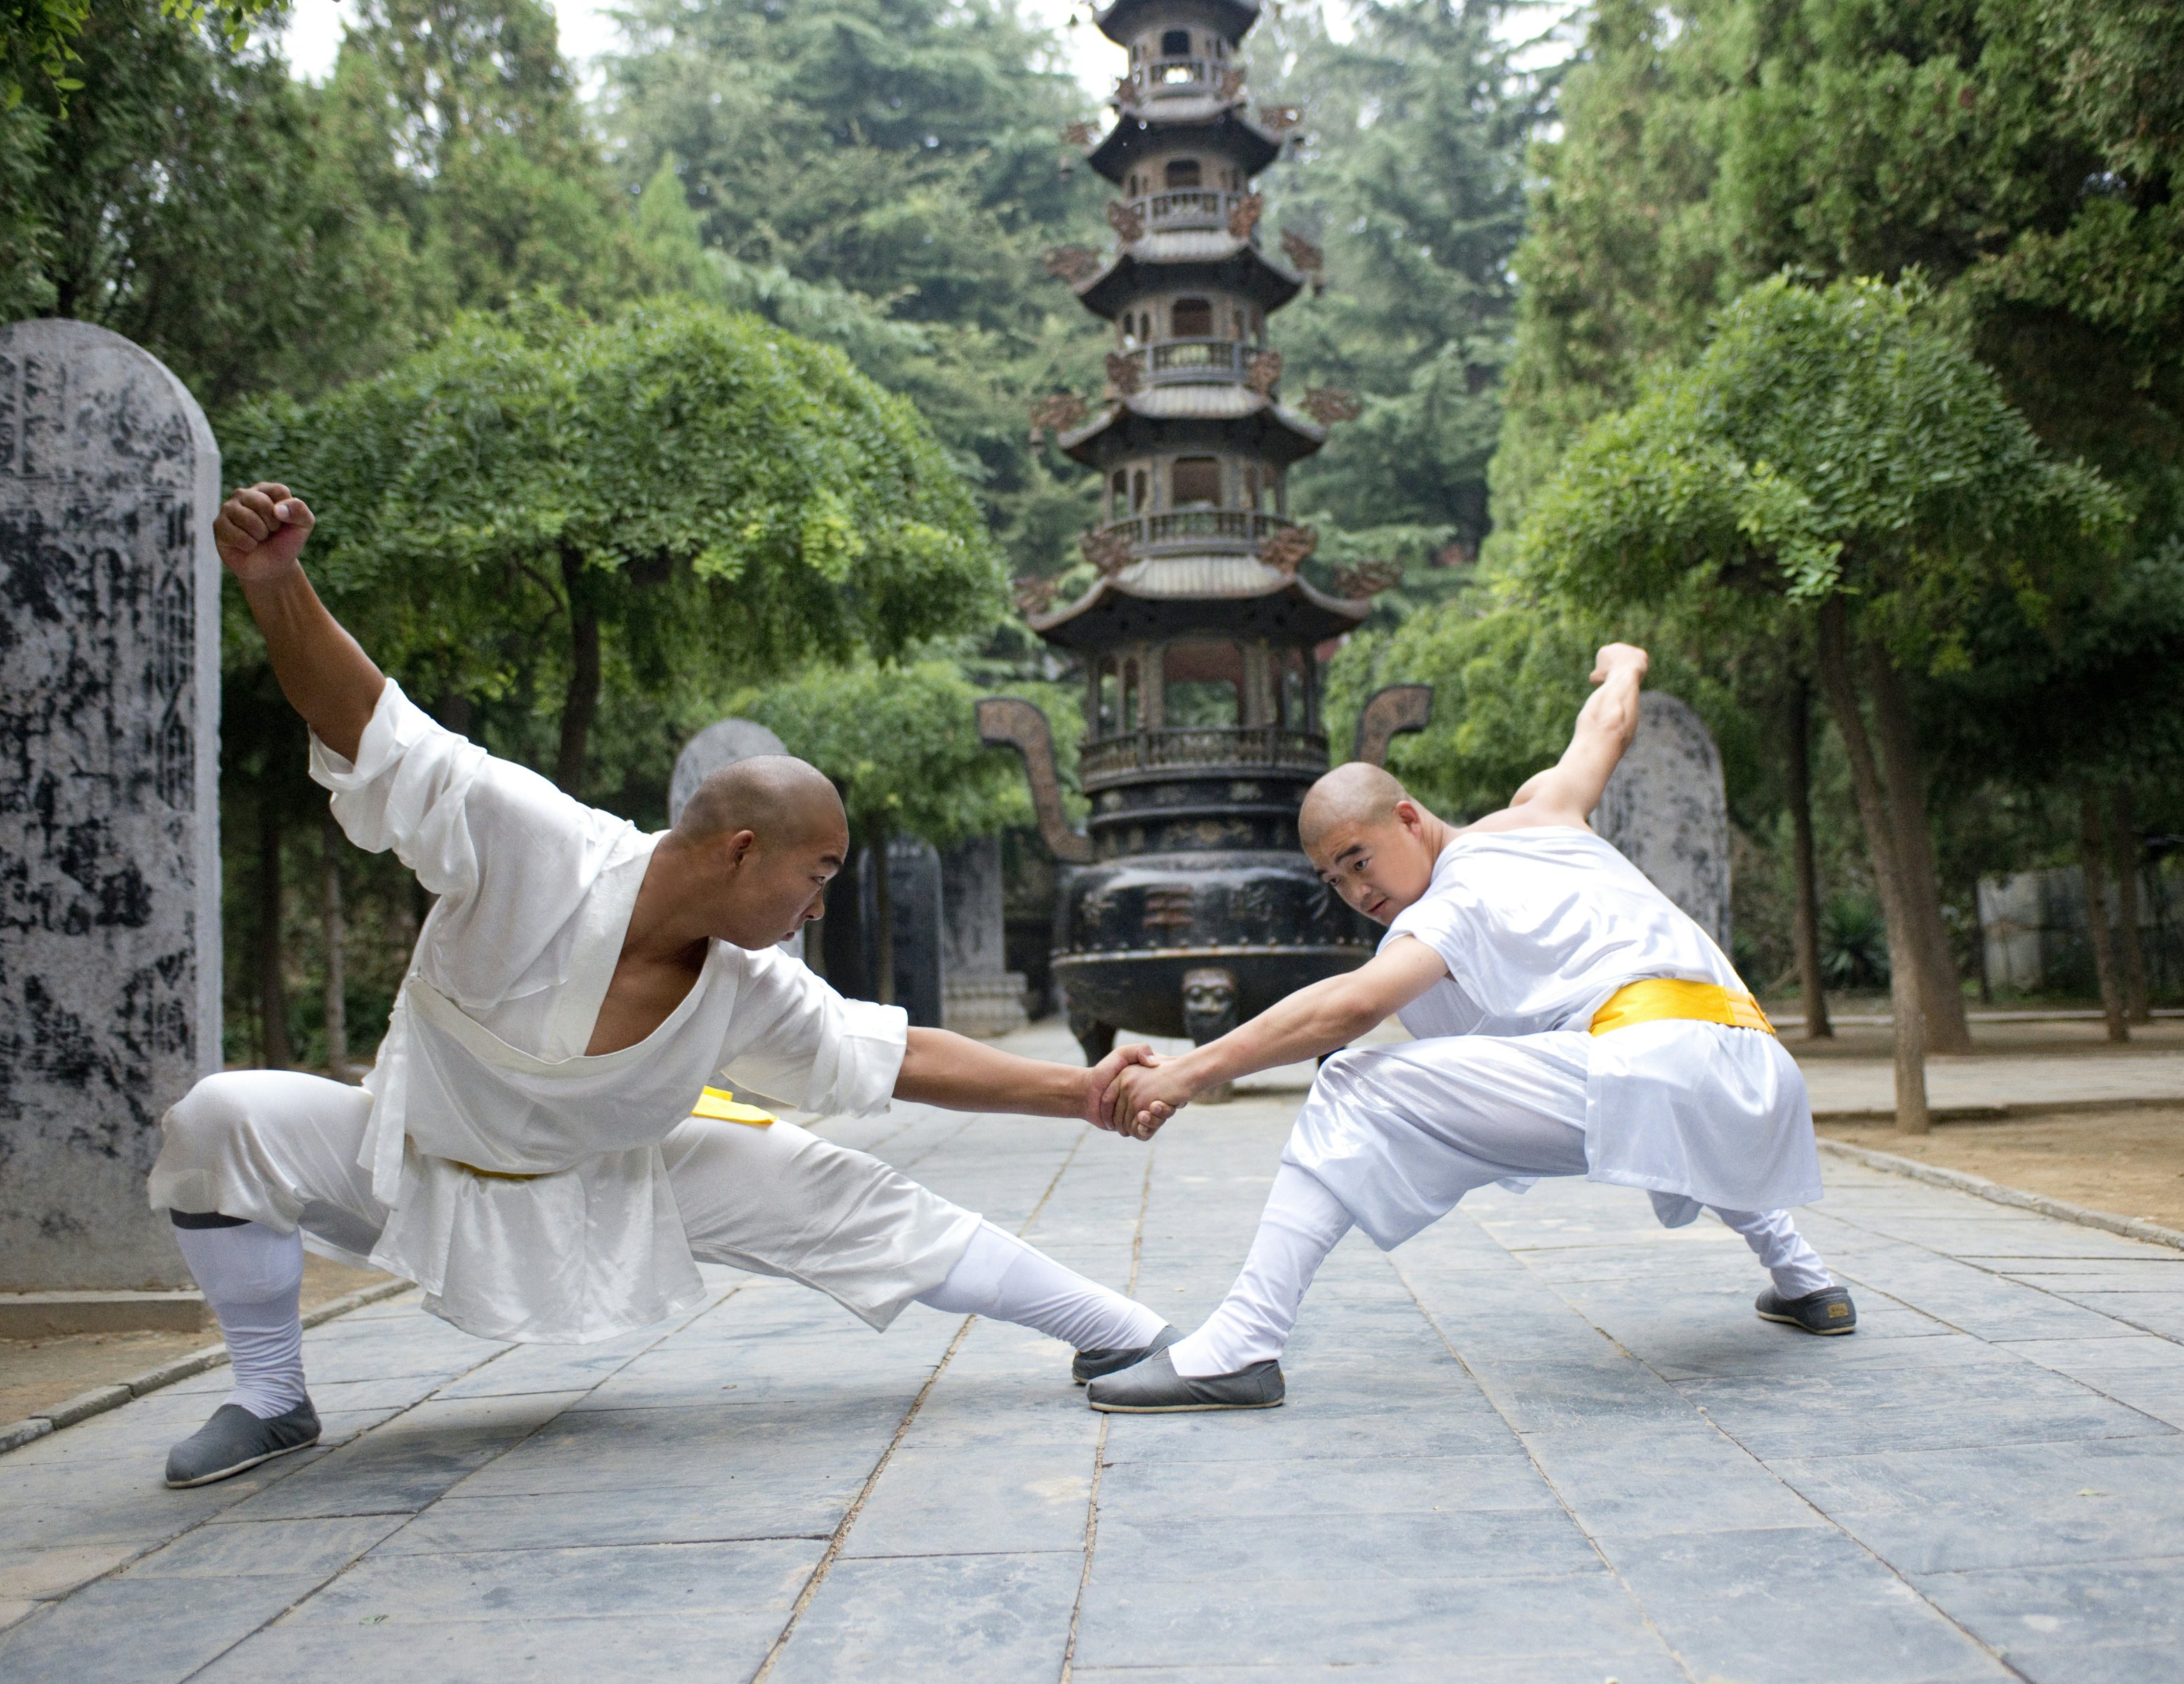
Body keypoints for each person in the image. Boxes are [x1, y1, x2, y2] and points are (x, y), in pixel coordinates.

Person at [150, 483, 1173, 1487]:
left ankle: (1122, 1328)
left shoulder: (746, 983)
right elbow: (374, 725)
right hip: (408, 1162)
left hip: (617, 1182)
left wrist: (1081, 1092)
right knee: (220, 1117)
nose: (819, 907)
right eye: (817, 876)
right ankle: (271, 1396)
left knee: (846, 1193)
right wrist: (275, 584)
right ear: (740, 849)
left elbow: (892, 1054)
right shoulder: (533, 838)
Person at [1087, 643, 1851, 1414]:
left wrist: (1187, 1070)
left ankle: (1239, 1347)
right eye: (1335, 879)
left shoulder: (1450, 904)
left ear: (1408, 818)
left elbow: (1351, 1008)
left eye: (1360, 860)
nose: (1357, 892)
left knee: (1351, 1083)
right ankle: (1807, 1280)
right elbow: (1606, 728)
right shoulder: (1545, 812)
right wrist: (1625, 666)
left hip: (1654, 1060)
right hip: (1757, 1069)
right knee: (1666, 1092)